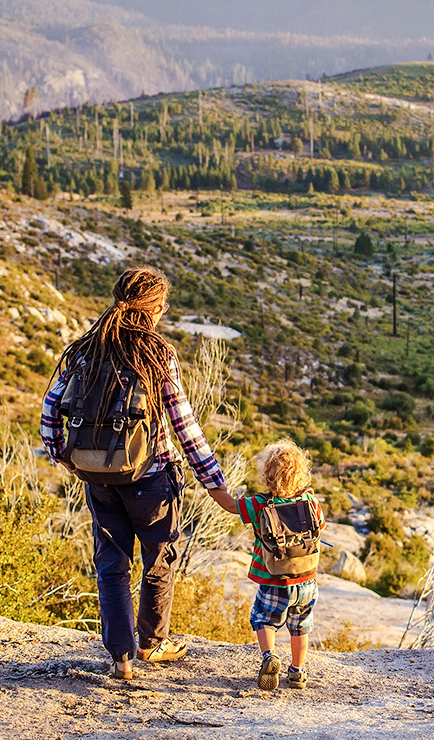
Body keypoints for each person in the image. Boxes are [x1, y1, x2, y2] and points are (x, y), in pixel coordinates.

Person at [40, 267, 235, 679]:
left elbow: (51, 407)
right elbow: (183, 423)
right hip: (151, 476)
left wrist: (66, 458)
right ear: (154, 308)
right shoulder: (155, 353)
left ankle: (121, 659)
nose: (165, 310)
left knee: (111, 564)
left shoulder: (85, 349)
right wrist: (214, 482)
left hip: (98, 477)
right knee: (160, 557)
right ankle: (152, 642)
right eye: (163, 304)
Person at [209, 439, 324, 691]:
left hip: (273, 580)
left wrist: (212, 487)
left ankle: (269, 656)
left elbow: (230, 505)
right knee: (300, 626)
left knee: (264, 619)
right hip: (306, 579)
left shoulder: (260, 504)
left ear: (267, 475)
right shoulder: (311, 503)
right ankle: (297, 672)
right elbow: (321, 526)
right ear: (301, 473)